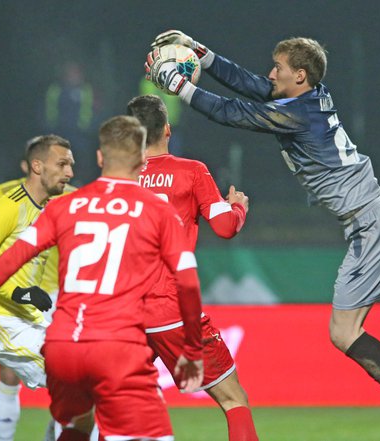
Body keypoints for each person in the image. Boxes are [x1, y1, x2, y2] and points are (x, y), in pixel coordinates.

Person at [146, 31, 380, 441]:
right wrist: (206, 56)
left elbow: (234, 112)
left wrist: (180, 85)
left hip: (371, 222)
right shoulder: (311, 96)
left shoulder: (295, 114)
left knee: (343, 333)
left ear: (301, 76)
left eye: (279, 69)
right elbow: (255, 87)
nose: (271, 74)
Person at [0, 115, 204, 441]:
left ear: (99, 157)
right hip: (116, 345)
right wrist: (192, 349)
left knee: (77, 425)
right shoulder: (157, 209)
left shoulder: (66, 206)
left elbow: (5, 262)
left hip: (63, 345)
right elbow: (189, 282)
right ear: (142, 159)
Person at [127, 94, 258, 441]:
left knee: (119, 411)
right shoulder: (191, 172)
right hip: (172, 308)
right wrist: (238, 207)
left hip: (125, 312)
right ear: (167, 130)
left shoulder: (118, 181)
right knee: (233, 400)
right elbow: (225, 227)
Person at [0, 134, 73, 441]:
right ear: (37, 166)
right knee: (74, 384)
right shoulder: (8, 205)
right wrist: (19, 292)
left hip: (33, 314)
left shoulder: (51, 205)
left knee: (83, 381)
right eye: (62, 164)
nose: (70, 173)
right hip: (3, 320)